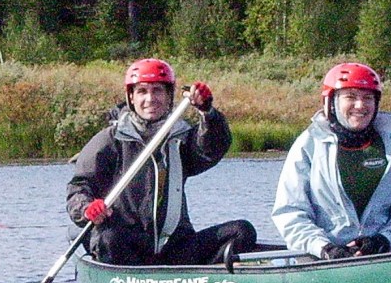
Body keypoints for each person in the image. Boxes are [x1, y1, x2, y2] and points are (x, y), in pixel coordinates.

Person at [67, 58, 257, 266]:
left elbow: (212, 149)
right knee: (108, 238)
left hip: (174, 245)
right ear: (131, 97)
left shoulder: (180, 137)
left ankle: (200, 275)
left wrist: (207, 113)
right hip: (125, 245)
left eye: (157, 91)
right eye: (142, 91)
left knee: (242, 231)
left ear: (168, 96)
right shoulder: (110, 140)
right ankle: (133, 279)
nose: (150, 99)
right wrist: (87, 208)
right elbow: (79, 188)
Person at [271, 61, 391, 259]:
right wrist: (325, 248)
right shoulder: (307, 146)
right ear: (331, 102)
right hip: (320, 258)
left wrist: (384, 239)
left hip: (382, 256)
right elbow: (290, 213)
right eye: (350, 97)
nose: (360, 105)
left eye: (368, 98)